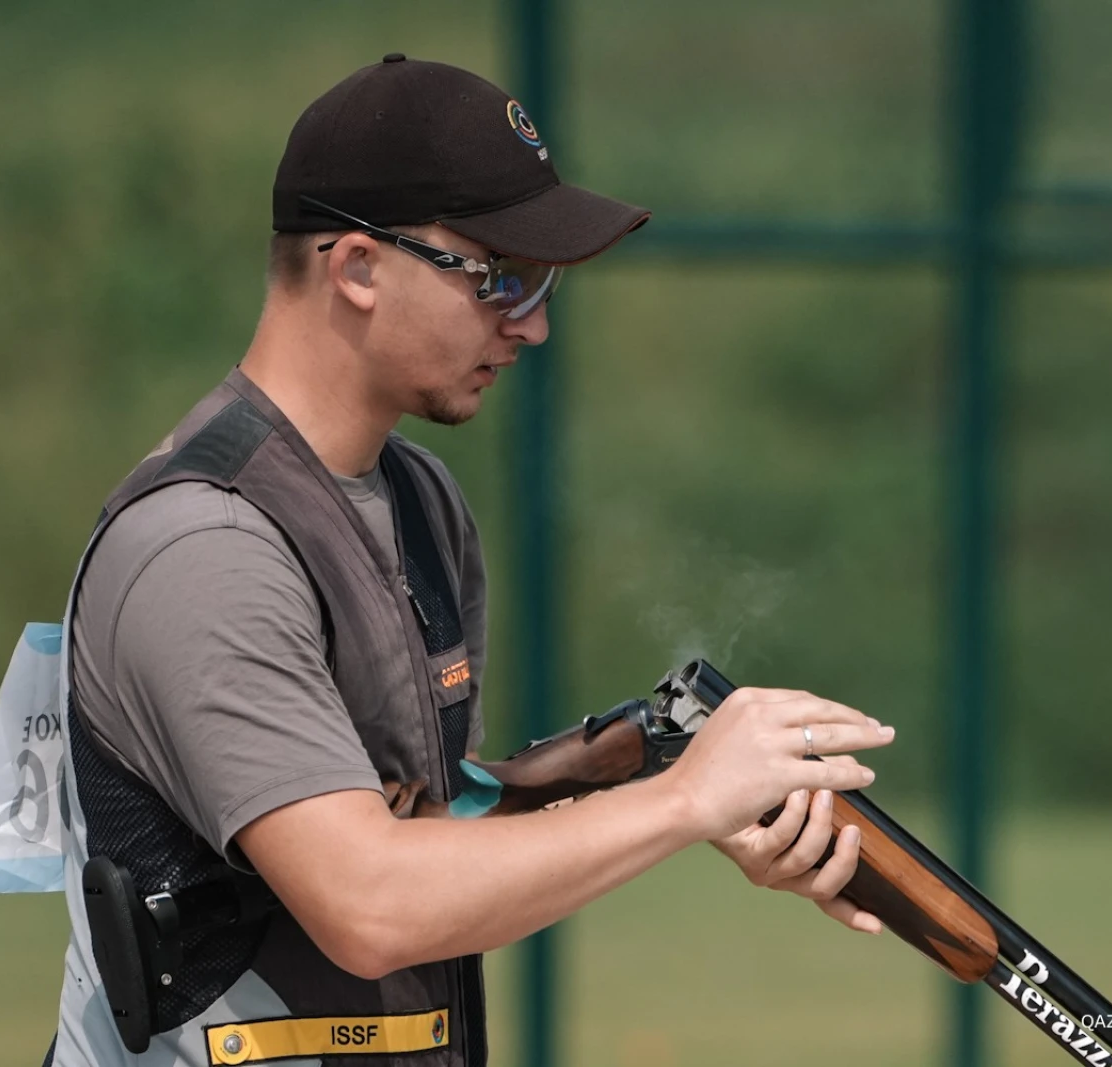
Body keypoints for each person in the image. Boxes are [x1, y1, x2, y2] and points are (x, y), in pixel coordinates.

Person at [48, 54, 893, 1067]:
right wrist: (678, 801)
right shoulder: (204, 546)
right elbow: (368, 898)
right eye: (499, 275)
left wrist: (641, 761)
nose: (532, 322)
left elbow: (428, 814)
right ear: (358, 268)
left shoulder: (417, 498)